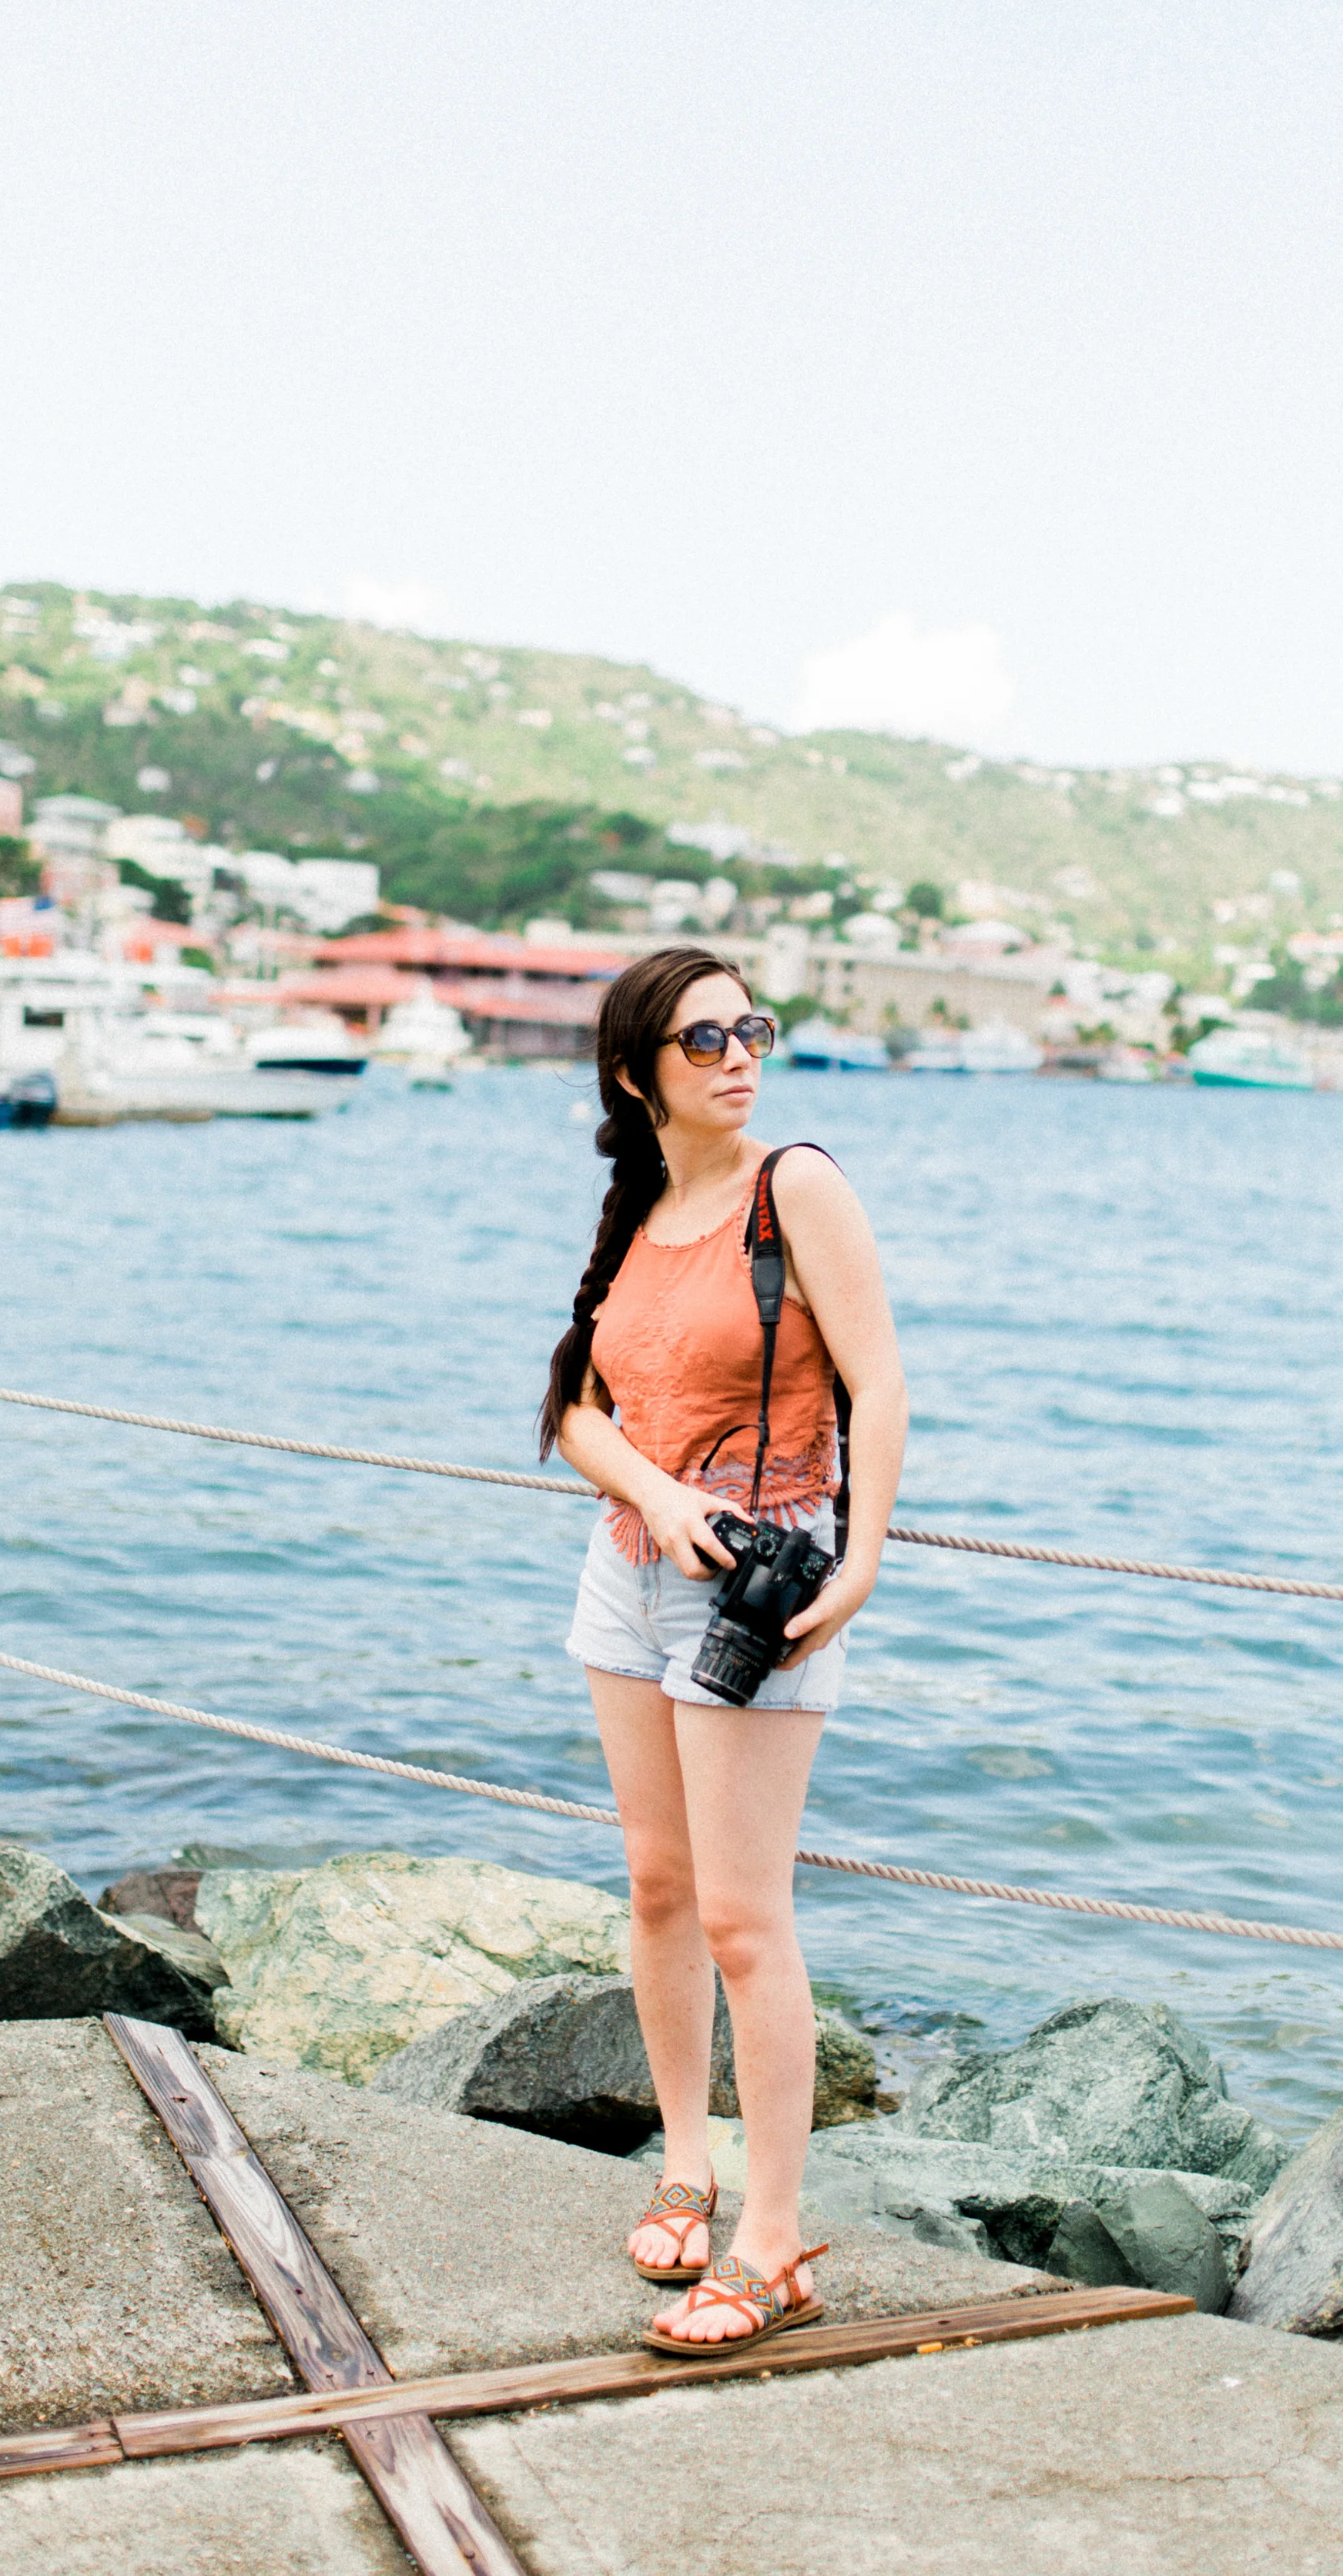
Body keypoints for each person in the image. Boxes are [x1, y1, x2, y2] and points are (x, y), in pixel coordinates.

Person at [540, 944, 908, 2354]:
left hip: (760, 1591)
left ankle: (772, 2239)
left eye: (751, 1026)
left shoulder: (792, 1184)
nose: (740, 1053)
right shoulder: (643, 1205)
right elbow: (574, 1408)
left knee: (748, 1920)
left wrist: (864, 1557)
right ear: (639, 1075)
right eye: (704, 1039)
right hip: (627, 1577)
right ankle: (684, 2163)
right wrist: (649, 1490)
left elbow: (878, 1380)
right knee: (657, 1885)